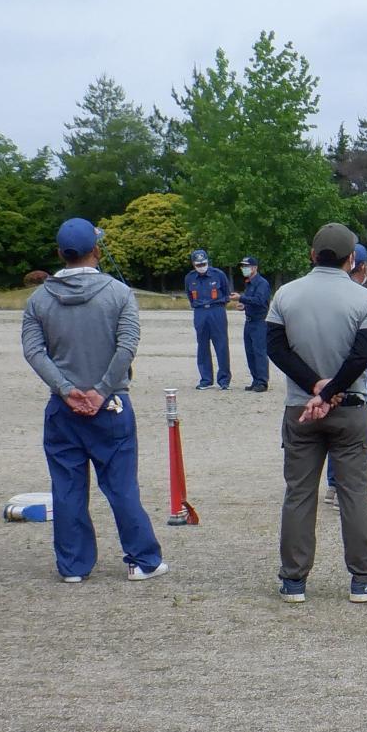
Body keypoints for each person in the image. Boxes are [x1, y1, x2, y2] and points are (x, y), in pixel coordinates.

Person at [21, 218, 168, 583]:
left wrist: (65, 388)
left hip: (62, 407)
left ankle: (73, 565)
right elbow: (127, 346)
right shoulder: (119, 293)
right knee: (121, 485)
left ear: (60, 254)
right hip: (112, 403)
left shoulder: (39, 300)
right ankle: (142, 560)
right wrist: (102, 389)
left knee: (67, 486)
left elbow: (34, 351)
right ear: (96, 252)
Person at [264, 223, 367, 604]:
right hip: (350, 407)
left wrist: (314, 387)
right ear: (351, 258)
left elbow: (275, 348)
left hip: (300, 408)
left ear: (312, 255)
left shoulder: (285, 294)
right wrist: (333, 389)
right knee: (353, 494)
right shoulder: (364, 299)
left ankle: (293, 580)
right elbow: (361, 356)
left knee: (299, 494)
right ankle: (364, 579)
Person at [326, 245, 367, 502]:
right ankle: (352, 489)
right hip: (360, 378)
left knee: (334, 430)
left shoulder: (327, 296)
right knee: (364, 434)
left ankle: (333, 485)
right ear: (361, 267)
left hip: (330, 374)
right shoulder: (365, 299)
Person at [184, 249, 232, 391]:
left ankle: (224, 380)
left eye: (203, 263)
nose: (201, 266)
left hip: (216, 310)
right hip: (200, 312)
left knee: (221, 345)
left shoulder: (218, 275)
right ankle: (206, 379)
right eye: (198, 265)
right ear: (193, 264)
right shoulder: (190, 278)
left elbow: (226, 292)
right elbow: (190, 296)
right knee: (202, 345)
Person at [232, 256, 272, 392]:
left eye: (246, 266)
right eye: (243, 266)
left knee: (259, 351)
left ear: (254, 268)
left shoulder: (262, 283)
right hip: (249, 321)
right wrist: (244, 305)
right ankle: (255, 380)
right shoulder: (249, 283)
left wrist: (241, 298)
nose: (244, 269)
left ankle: (262, 381)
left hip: (259, 322)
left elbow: (260, 300)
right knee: (250, 352)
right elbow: (251, 301)